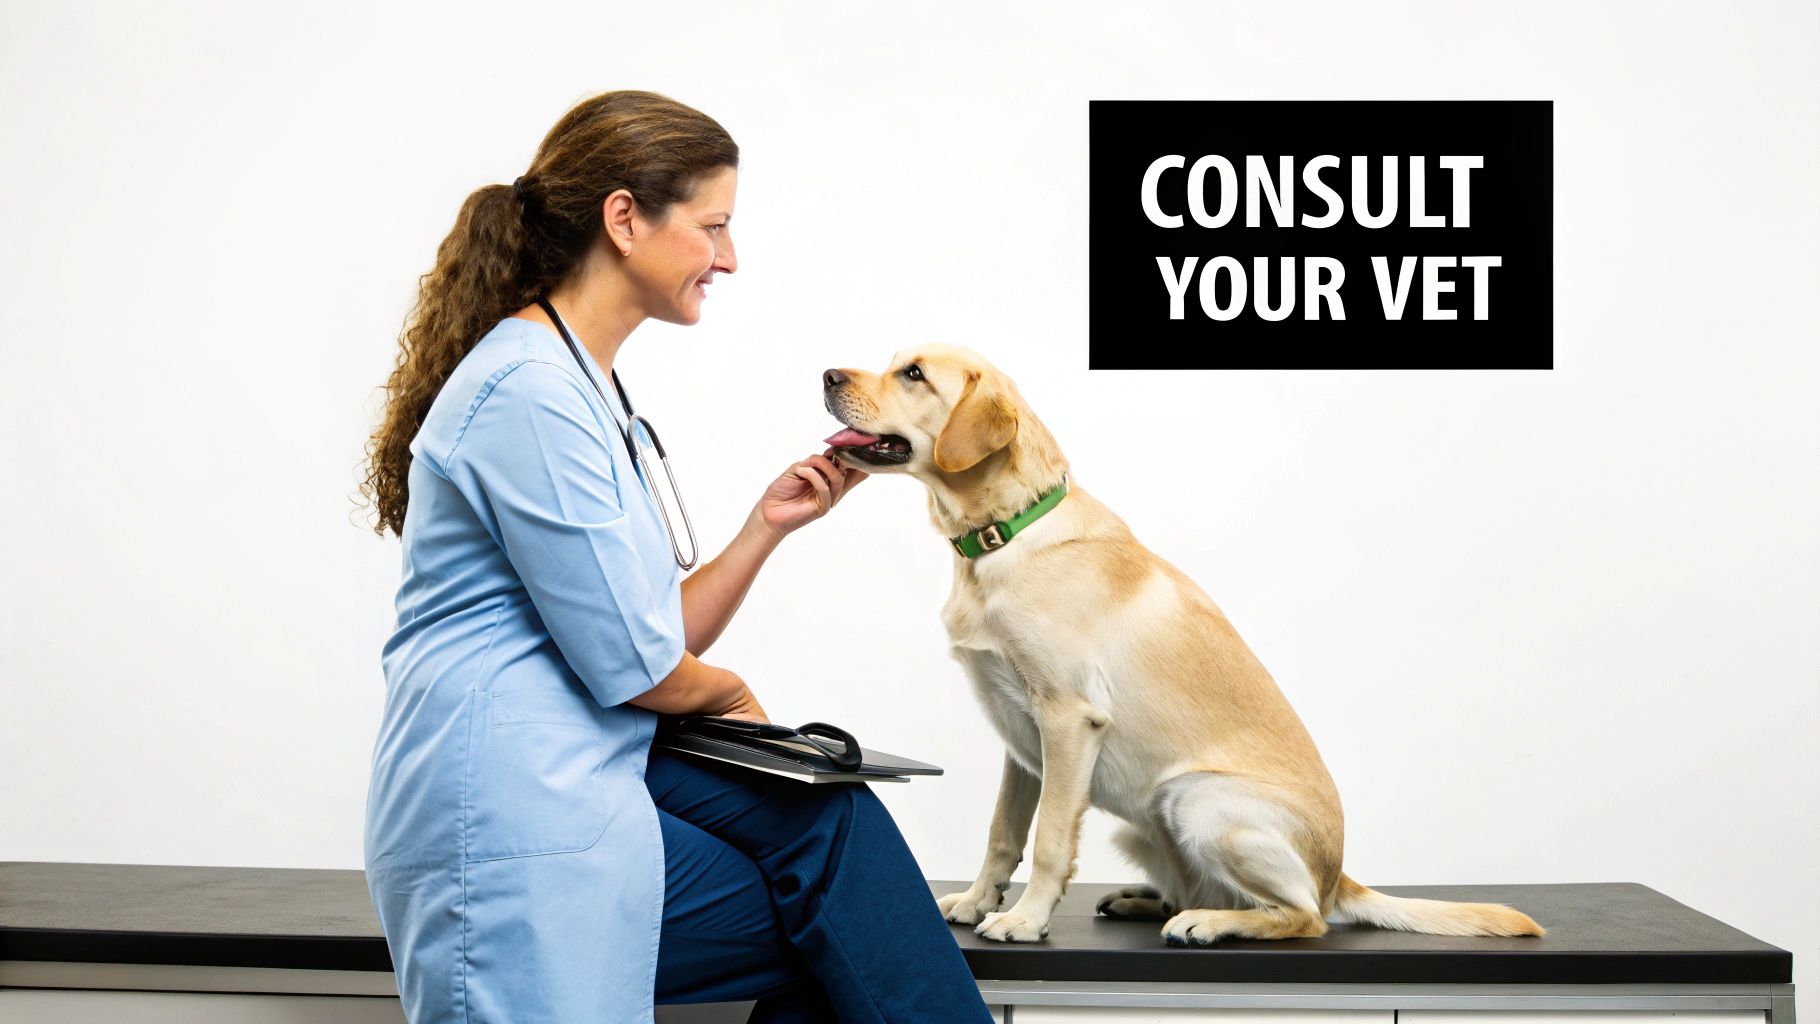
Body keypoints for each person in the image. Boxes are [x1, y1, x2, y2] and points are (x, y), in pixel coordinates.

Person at [358, 90, 995, 1024]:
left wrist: (764, 528)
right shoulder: (529, 391)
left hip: (591, 779)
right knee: (844, 900)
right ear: (625, 219)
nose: (729, 257)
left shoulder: (580, 383)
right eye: (714, 227)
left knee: (839, 861)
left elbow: (640, 633)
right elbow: (638, 663)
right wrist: (734, 695)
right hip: (506, 820)